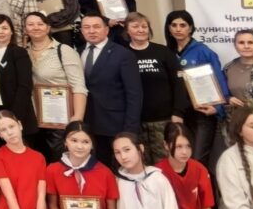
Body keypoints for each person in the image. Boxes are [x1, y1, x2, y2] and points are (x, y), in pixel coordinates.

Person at [165, 10, 230, 164]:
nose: (178, 29)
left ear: (191, 28)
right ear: (169, 28)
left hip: (202, 113)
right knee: (182, 157)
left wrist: (218, 108)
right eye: (174, 25)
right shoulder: (167, 53)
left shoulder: (203, 51)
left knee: (198, 158)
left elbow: (220, 81)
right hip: (180, 114)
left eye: (183, 25)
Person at [81, 13, 142, 166]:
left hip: (115, 126)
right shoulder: (78, 52)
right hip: (88, 126)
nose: (91, 31)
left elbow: (134, 94)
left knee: (118, 170)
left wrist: (130, 130)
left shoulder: (123, 54)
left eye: (96, 27)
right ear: (81, 31)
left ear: (107, 30)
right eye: (87, 27)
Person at [25, 11, 87, 160]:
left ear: (48, 28)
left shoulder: (64, 51)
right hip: (34, 121)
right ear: (25, 29)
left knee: (60, 162)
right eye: (30, 24)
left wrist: (77, 118)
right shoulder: (23, 52)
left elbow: (78, 86)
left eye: (40, 24)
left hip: (60, 122)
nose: (35, 27)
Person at [126, 12, 186, 164]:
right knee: (141, 162)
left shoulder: (163, 52)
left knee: (167, 162)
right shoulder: (123, 54)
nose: (141, 30)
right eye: (135, 26)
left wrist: (178, 112)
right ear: (127, 30)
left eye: (144, 26)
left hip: (164, 119)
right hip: (136, 121)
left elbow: (179, 83)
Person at [0, 16, 37, 146]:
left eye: (5, 28)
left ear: (12, 31)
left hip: (15, 111)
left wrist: (14, 116)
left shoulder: (19, 52)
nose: (0, 31)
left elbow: (25, 86)